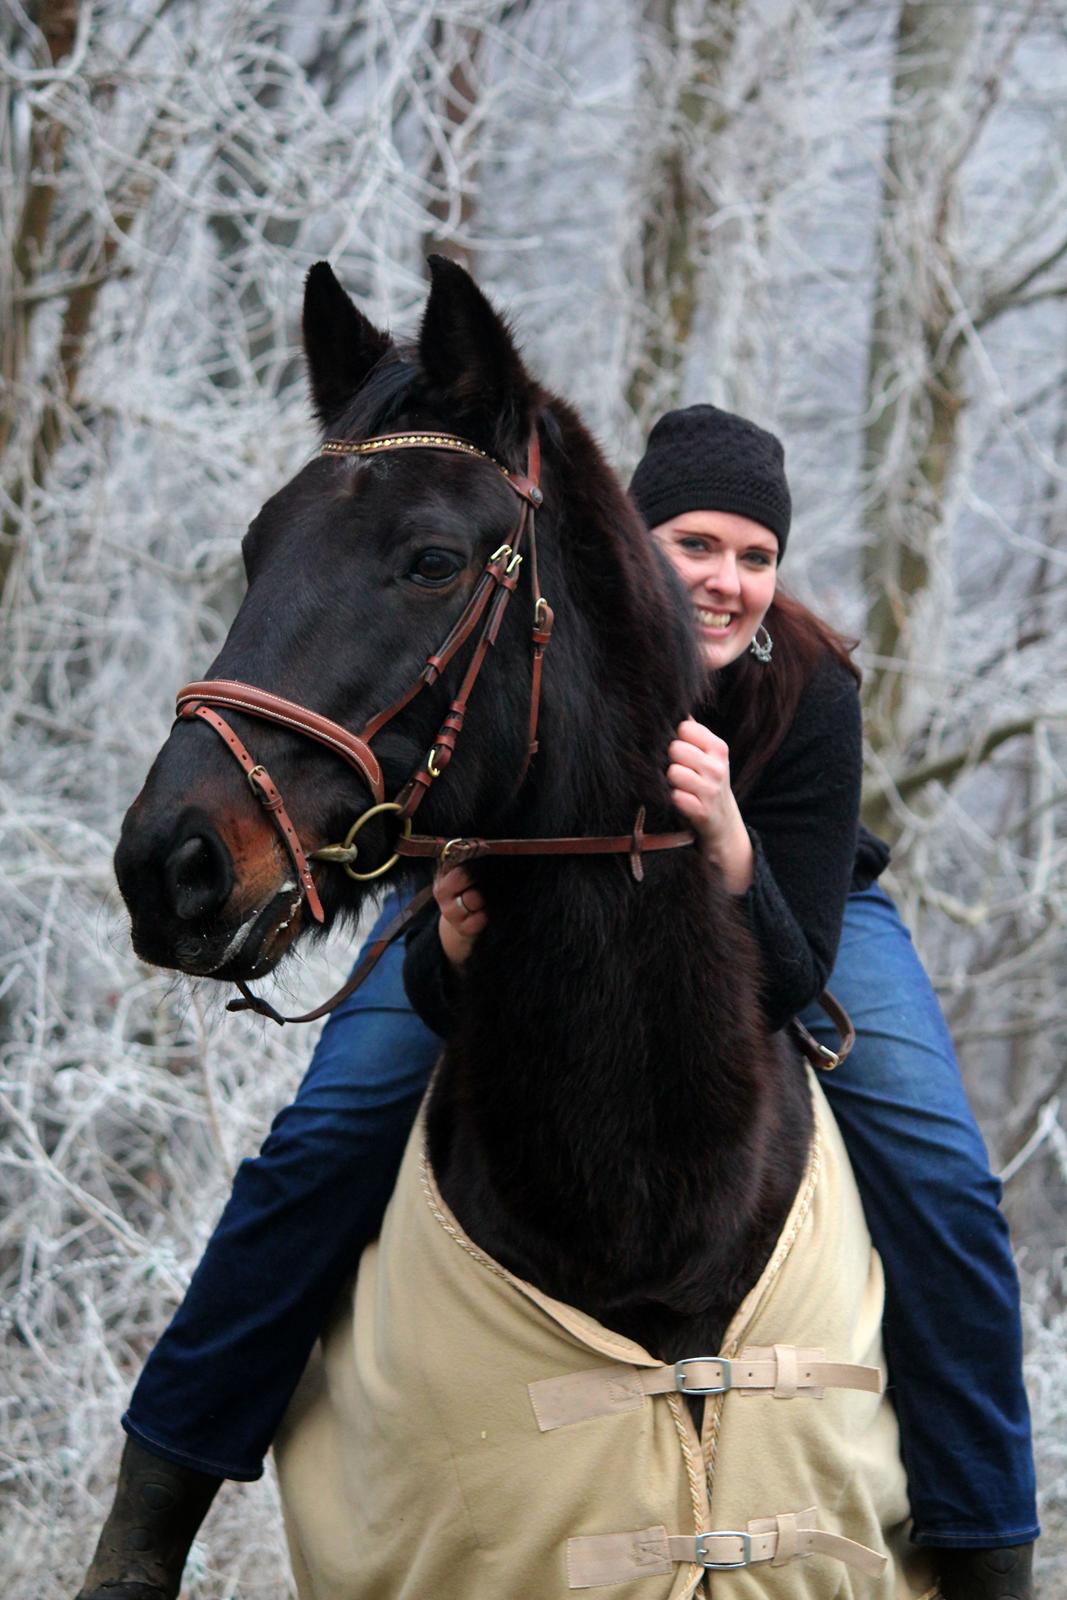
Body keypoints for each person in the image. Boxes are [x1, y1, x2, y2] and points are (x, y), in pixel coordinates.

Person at [76, 406, 1037, 1600]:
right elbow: (449, 830)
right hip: (518, 899)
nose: (725, 580)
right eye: (693, 543)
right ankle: (148, 1521)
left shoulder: (806, 687)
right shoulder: (547, 644)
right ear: (631, 538)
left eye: (754, 555)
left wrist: (732, 846)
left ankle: (989, 1543)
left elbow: (788, 981)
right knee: (323, 1135)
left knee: (938, 1163)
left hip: (789, 893)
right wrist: (446, 954)